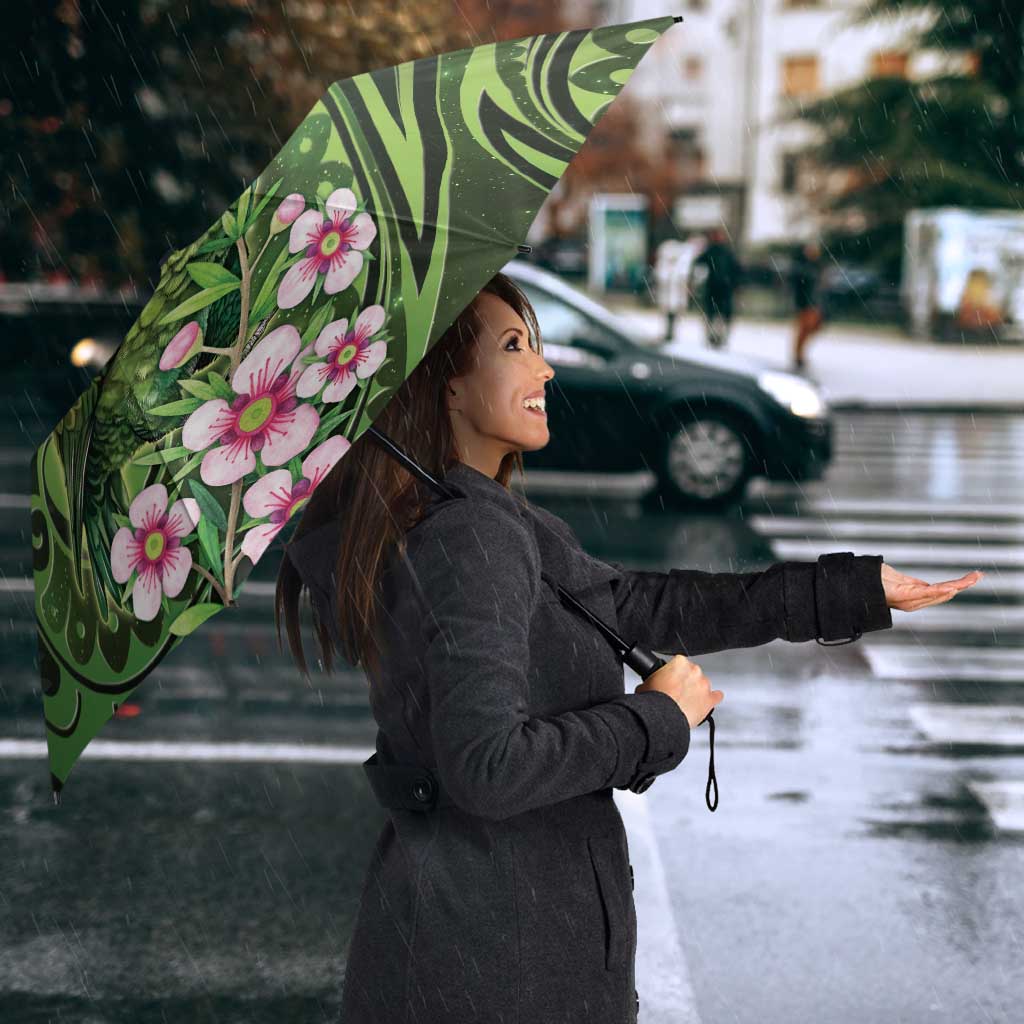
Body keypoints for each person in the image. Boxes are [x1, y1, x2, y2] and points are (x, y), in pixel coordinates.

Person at [276, 271, 968, 1024]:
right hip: (501, 962)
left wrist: (849, 591)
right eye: (514, 346)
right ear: (444, 385)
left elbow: (637, 605)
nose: (543, 367)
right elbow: (488, 768)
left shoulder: (469, 517)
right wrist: (657, 719)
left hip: (474, 943)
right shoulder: (469, 537)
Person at [692, 226, 742, 349]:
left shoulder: (725, 252)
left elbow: (736, 270)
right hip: (715, 288)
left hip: (723, 288)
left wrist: (735, 284)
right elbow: (698, 264)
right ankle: (713, 337)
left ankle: (719, 337)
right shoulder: (712, 251)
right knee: (713, 314)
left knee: (720, 315)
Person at [790, 239, 826, 370]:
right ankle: (798, 355)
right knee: (804, 329)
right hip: (805, 303)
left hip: (814, 303)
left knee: (812, 328)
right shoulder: (802, 267)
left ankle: (799, 354)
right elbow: (799, 286)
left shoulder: (817, 266)